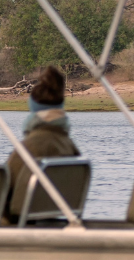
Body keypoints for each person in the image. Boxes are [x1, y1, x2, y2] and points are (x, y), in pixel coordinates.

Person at [5, 66, 79, 222]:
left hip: (20, 225)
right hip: (53, 220)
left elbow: (4, 192)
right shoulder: (69, 146)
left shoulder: (31, 146)